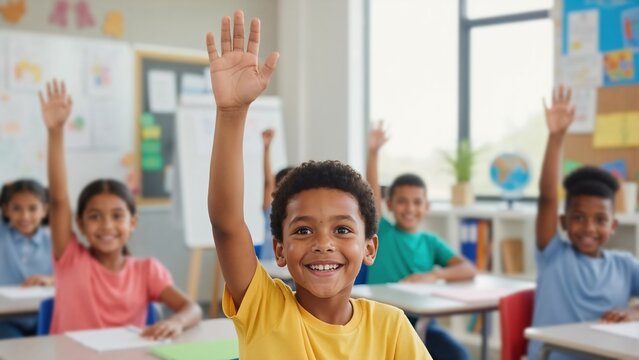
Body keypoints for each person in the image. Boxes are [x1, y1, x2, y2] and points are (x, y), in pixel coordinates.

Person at [206, 10, 431, 359]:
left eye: (342, 230)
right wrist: (232, 115)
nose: (323, 244)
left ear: (370, 247)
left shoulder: (392, 327)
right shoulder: (265, 310)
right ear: (279, 249)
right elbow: (226, 223)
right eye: (302, 231)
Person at [40, 79, 202, 338]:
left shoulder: (147, 270)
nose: (106, 225)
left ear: (133, 222)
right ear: (80, 223)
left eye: (117, 216)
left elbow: (191, 307)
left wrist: (177, 322)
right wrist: (55, 132)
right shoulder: (70, 259)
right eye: (94, 216)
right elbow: (59, 200)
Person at [529, 86, 639, 360]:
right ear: (564, 222)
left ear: (613, 225)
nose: (589, 227)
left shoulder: (624, 266)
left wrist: (634, 312)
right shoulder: (552, 254)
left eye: (600, 220)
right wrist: (556, 137)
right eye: (578, 218)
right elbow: (546, 199)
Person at [366, 121, 475, 360]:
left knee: (459, 355)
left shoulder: (430, 242)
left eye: (417, 202)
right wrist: (373, 153)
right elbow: (372, 196)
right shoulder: (382, 233)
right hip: (382, 321)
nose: (410, 208)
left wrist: (435, 275)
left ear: (427, 207)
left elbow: (467, 268)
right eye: (402, 201)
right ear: (390, 204)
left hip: (422, 323)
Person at [0, 179, 53, 338]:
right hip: (4, 321)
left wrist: (50, 280)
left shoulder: (51, 243)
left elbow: (68, 277)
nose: (25, 216)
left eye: (32, 208)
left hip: (40, 318)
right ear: (5, 209)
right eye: (16, 208)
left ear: (44, 210)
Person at [259, 128, 293, 261]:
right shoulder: (271, 210)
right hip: (269, 270)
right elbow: (268, 182)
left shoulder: (302, 214)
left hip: (289, 271)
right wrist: (267, 148)